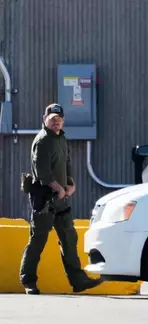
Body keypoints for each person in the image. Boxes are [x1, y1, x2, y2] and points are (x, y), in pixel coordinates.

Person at [19, 103, 104, 295]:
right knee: (38, 240)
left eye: (59, 119)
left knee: (68, 238)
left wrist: (71, 184)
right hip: (44, 200)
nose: (56, 122)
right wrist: (58, 188)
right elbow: (42, 173)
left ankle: (78, 281)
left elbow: (66, 163)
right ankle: (28, 281)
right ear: (44, 119)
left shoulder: (60, 138)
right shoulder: (42, 141)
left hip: (61, 199)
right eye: (52, 119)